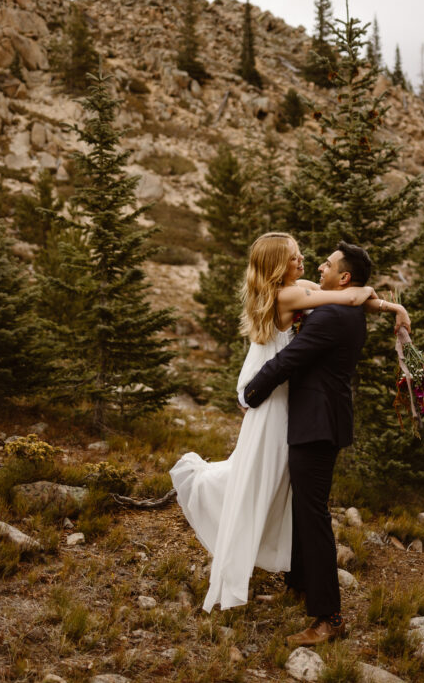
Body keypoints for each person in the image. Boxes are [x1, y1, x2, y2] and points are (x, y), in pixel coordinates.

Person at [170, 232, 408, 613]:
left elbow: (350, 295)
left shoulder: (296, 289)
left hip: (281, 398)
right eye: (297, 257)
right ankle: (251, 571)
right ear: (280, 266)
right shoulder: (289, 295)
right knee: (258, 482)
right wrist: (390, 307)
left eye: (309, 258)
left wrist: (387, 307)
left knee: (282, 488)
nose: (307, 262)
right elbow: (347, 297)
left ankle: (296, 578)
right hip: (269, 394)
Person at [242, 240, 403, 646]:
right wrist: (385, 304)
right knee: (304, 506)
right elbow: (347, 297)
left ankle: (328, 618)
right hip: (318, 422)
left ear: (343, 277)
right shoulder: (338, 306)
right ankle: (299, 584)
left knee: (313, 515)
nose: (320, 267)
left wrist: (250, 393)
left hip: (316, 426)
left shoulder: (332, 316)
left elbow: (288, 361)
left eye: (328, 264)